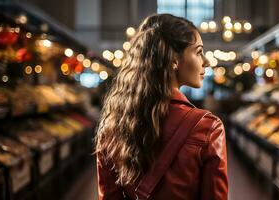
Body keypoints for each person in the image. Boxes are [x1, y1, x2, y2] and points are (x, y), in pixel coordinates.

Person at [95, 14, 228, 200]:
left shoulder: (113, 124)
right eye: (198, 52)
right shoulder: (208, 127)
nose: (206, 61)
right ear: (174, 60)